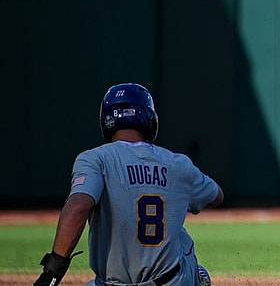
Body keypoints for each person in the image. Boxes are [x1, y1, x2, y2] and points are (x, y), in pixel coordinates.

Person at [34, 83, 224, 286]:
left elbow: (78, 207)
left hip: (111, 284)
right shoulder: (178, 164)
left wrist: (52, 273)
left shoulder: (94, 159)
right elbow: (216, 196)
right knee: (181, 238)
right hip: (170, 281)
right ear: (148, 118)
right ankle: (198, 279)